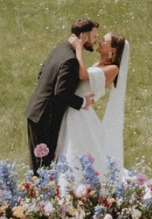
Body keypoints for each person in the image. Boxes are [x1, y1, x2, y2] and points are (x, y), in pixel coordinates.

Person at [25, 18, 98, 173]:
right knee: (43, 166)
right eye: (94, 37)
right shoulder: (71, 60)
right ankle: (40, 195)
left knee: (38, 165)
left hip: (36, 112)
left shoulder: (60, 49)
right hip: (46, 118)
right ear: (84, 37)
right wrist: (83, 102)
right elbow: (61, 93)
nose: (96, 40)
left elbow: (41, 73)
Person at [56, 32, 129, 172]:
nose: (99, 42)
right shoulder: (98, 64)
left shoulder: (113, 69)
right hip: (76, 107)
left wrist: (78, 49)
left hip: (80, 112)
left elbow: (83, 75)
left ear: (112, 50)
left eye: (104, 40)